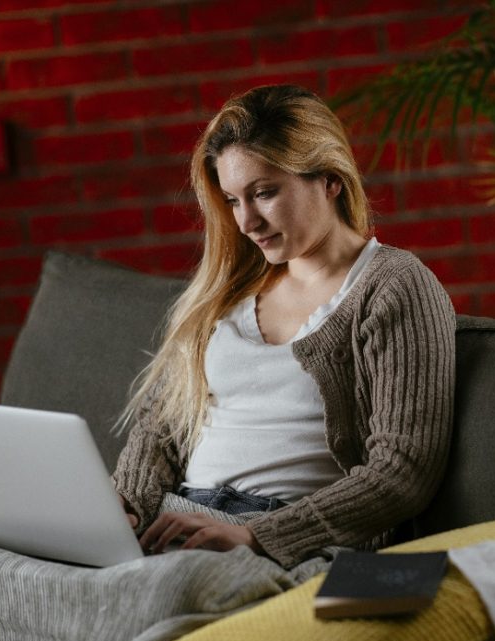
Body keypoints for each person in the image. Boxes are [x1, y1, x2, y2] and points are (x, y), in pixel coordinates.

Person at [111, 84, 457, 568]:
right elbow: (161, 431)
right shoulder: (227, 291)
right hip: (175, 521)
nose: (247, 222)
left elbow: (402, 473)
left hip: (283, 542)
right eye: (233, 201)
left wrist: (254, 536)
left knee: (150, 591)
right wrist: (123, 509)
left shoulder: (393, 286)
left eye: (265, 193)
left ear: (330, 180)